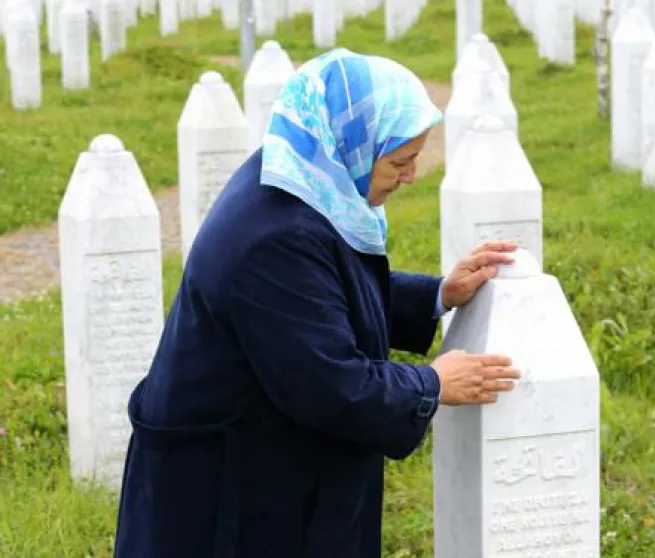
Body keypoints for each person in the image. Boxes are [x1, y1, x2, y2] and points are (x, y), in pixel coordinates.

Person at [113, 48, 521, 558]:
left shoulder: (305, 175)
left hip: (262, 458)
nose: (411, 175)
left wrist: (439, 294)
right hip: (227, 488)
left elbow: (319, 296)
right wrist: (433, 383)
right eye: (400, 160)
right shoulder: (275, 235)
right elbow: (329, 384)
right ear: (351, 143)